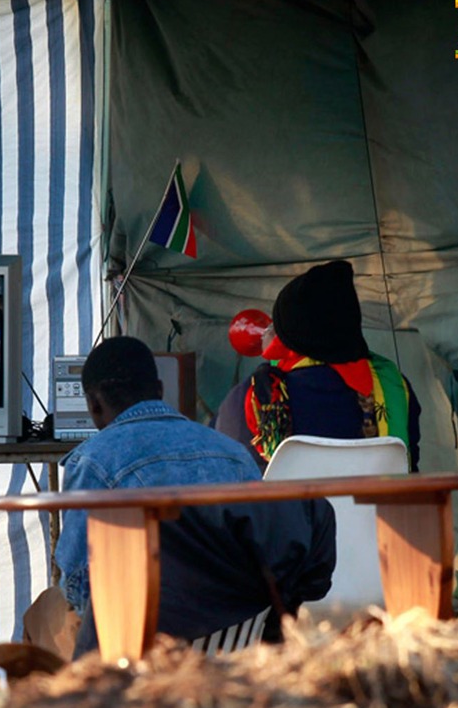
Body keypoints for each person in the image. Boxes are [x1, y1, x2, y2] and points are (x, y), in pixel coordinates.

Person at [46, 336, 336, 657]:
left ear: (94, 404)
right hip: (235, 641)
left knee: (44, 611)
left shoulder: (92, 460)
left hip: (138, 644)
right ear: (159, 390)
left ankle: (58, 705)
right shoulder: (233, 453)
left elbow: (77, 582)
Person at [215, 260, 422, 471]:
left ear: (288, 333)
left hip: (291, 504)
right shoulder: (394, 386)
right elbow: (409, 463)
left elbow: (227, 473)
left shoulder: (253, 396)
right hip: (383, 502)